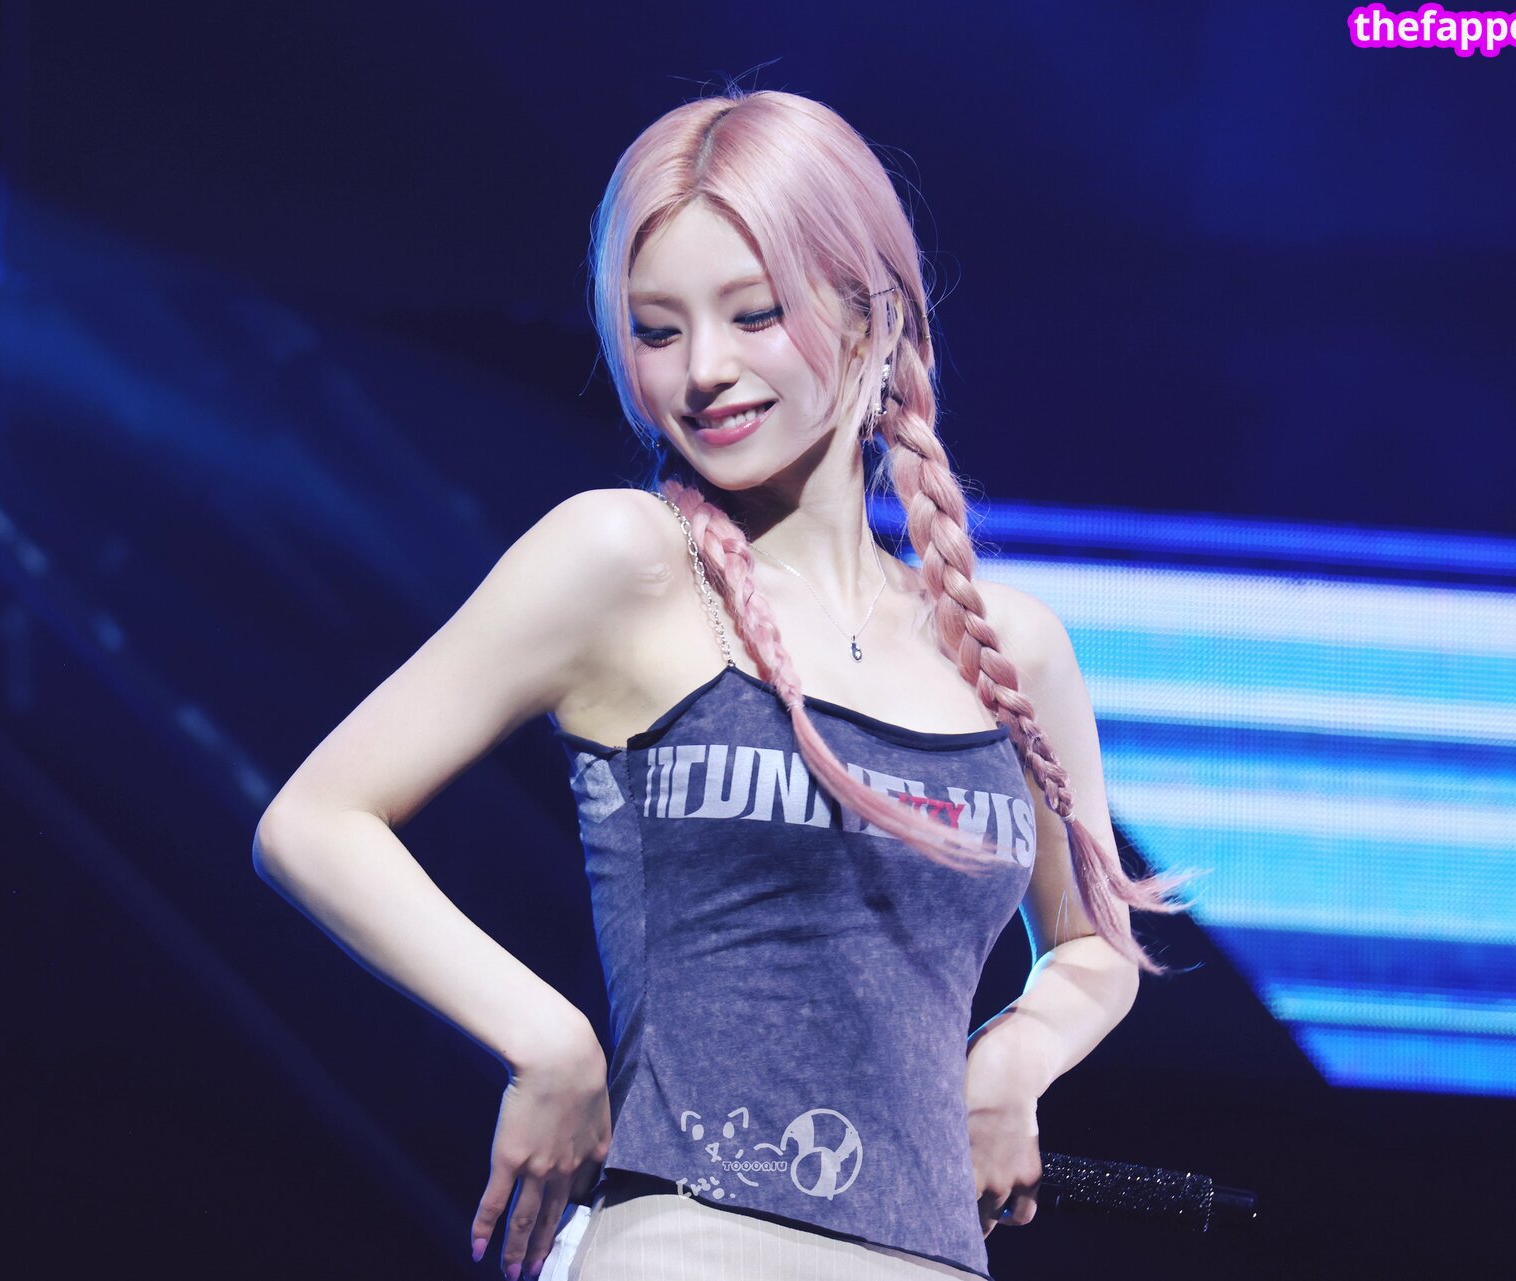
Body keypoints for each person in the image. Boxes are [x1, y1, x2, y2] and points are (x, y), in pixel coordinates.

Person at [253, 87, 1192, 1281]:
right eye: (657, 332)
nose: (704, 370)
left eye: (755, 314)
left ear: (874, 318)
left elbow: (1095, 944)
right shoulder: (626, 562)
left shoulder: (1011, 650)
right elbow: (314, 821)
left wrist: (1016, 1060)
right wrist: (546, 1040)